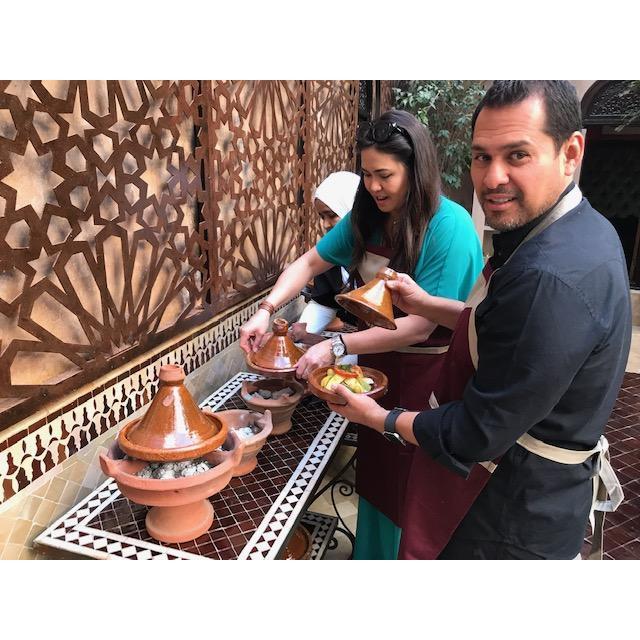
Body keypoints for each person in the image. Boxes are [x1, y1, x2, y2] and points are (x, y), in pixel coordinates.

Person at [328, 81, 630, 560]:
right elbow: (499, 326)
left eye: (517, 155)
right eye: (482, 157)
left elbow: (475, 432)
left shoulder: (550, 278)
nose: (493, 178)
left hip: (513, 512)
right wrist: (426, 301)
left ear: (571, 152)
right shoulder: (575, 230)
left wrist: (376, 416)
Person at [240, 109, 483, 559]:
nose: (374, 186)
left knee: (413, 488)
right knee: (377, 478)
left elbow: (420, 323)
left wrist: (337, 345)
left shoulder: (448, 228)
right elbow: (312, 262)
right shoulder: (367, 218)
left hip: (431, 375)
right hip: (381, 366)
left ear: (417, 169)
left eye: (385, 175)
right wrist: (266, 309)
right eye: (367, 174)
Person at [290, 171, 360, 348]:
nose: (325, 224)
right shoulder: (330, 253)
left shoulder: (379, 251)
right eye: (322, 217)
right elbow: (324, 303)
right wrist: (301, 335)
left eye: (331, 215)